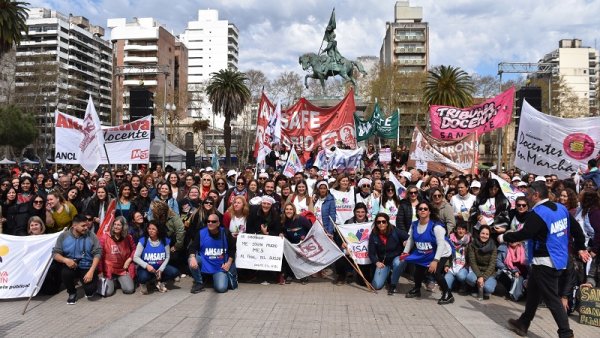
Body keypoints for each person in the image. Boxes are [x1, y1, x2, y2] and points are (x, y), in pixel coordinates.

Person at [500, 181, 590, 338]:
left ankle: (566, 333)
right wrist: (580, 246)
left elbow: (524, 234)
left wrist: (504, 236)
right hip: (559, 259)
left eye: (528, 194)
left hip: (545, 262)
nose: (526, 197)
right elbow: (577, 231)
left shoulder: (538, 213)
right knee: (533, 293)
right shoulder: (561, 208)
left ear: (536, 195)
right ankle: (523, 323)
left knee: (552, 299)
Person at [402, 201, 454, 305]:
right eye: (420, 209)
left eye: (425, 209)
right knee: (418, 271)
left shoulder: (437, 226)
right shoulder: (414, 224)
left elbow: (441, 245)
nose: (422, 210)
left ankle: (448, 294)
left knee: (436, 272)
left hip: (442, 252)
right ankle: (417, 289)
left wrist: (435, 261)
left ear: (429, 211)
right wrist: (405, 253)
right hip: (426, 251)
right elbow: (411, 239)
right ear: (417, 211)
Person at [52, 214, 102, 304]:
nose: (86, 228)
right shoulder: (63, 236)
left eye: (87, 225)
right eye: (83, 226)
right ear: (74, 226)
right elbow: (55, 254)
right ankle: (72, 292)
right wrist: (66, 260)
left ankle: (93, 282)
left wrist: (91, 271)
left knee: (90, 292)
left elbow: (98, 253)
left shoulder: (91, 235)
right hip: (71, 265)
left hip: (87, 266)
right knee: (65, 273)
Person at [188, 212, 237, 293]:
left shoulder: (225, 232)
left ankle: (213, 278)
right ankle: (199, 282)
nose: (210, 223)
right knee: (191, 259)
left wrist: (228, 263)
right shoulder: (201, 233)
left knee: (221, 288)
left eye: (213, 221)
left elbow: (232, 249)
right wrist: (193, 257)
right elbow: (193, 247)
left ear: (218, 223)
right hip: (205, 261)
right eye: (208, 221)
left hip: (220, 266)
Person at [133, 221, 180, 294]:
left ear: (158, 230)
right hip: (146, 269)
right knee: (143, 277)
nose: (150, 231)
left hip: (159, 267)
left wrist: (161, 269)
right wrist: (147, 266)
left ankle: (159, 281)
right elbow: (135, 257)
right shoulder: (143, 240)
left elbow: (167, 256)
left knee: (175, 272)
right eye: (149, 229)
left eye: (153, 229)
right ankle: (145, 283)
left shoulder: (164, 241)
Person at [368, 213, 409, 294]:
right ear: (376, 223)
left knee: (399, 262)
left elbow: (409, 238)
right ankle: (389, 274)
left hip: (396, 258)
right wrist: (376, 262)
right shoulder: (374, 234)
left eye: (383, 221)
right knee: (376, 286)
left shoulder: (394, 231)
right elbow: (371, 252)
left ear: (387, 222)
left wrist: (406, 243)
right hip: (384, 262)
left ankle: (393, 285)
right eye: (378, 222)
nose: (381, 224)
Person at [98, 216, 136, 296]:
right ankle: (113, 281)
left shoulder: (128, 237)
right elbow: (99, 255)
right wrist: (100, 271)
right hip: (108, 269)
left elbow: (134, 250)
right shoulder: (105, 237)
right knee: (107, 293)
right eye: (114, 224)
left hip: (122, 269)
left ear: (123, 227)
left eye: (118, 225)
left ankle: (116, 281)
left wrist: (129, 260)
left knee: (129, 290)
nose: (116, 227)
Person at [281, 203, 312, 284]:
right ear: (284, 211)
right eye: (287, 209)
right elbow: (282, 231)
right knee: (289, 258)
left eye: (290, 209)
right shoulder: (283, 220)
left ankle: (303, 276)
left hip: (302, 244)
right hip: (290, 244)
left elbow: (310, 229)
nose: (288, 211)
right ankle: (289, 275)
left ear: (294, 210)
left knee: (301, 260)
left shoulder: (301, 219)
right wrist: (281, 233)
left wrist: (305, 236)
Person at [465, 225, 497, 300]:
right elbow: (472, 262)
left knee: (489, 289)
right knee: (470, 278)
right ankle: (476, 288)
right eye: (483, 233)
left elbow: (492, 265)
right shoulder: (472, 245)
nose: (484, 236)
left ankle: (484, 287)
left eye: (487, 234)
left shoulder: (493, 246)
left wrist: (484, 277)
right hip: (476, 271)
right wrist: (479, 276)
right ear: (479, 233)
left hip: (489, 272)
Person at [444, 223, 471, 294]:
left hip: (463, 267)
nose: (461, 231)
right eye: (459, 229)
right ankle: (455, 283)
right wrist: (446, 265)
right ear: (456, 230)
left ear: (466, 231)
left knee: (461, 276)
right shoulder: (450, 240)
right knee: (446, 286)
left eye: (463, 229)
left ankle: (463, 285)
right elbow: (446, 254)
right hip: (452, 267)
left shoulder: (469, 241)